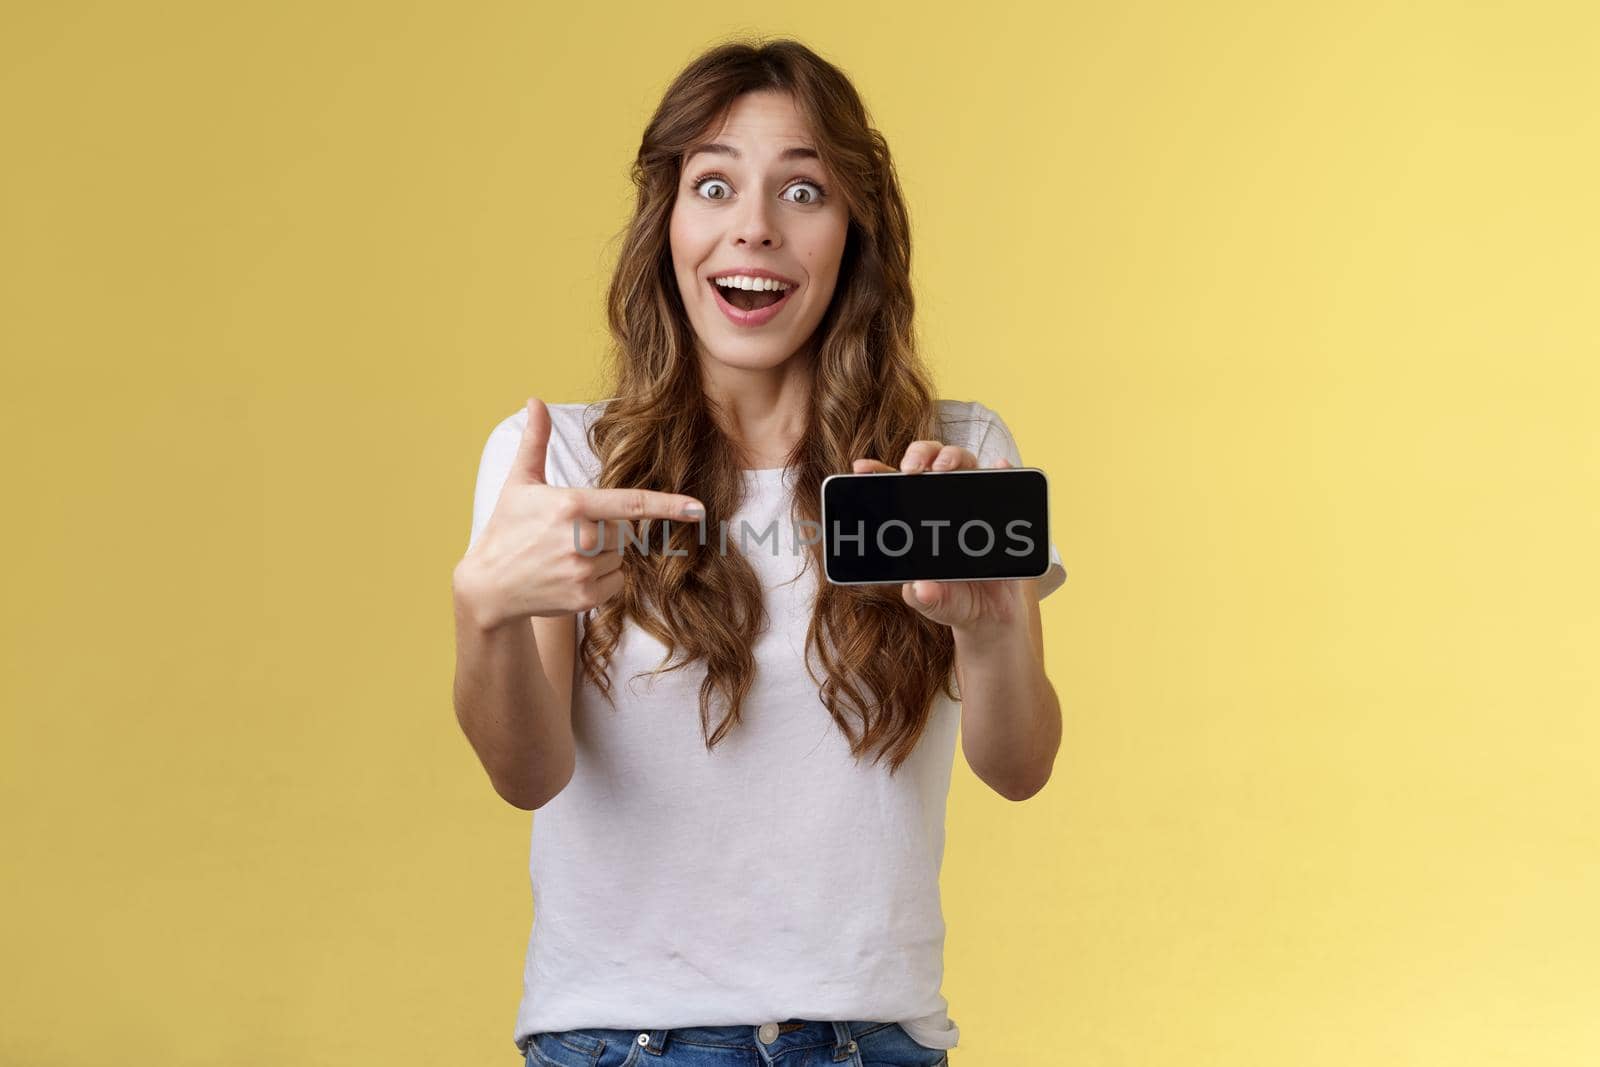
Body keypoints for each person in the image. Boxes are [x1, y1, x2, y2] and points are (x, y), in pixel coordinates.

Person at [451, 38, 1067, 1067]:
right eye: (714, 185)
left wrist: (994, 625)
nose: (754, 227)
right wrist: (484, 609)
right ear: (667, 224)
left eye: (803, 190)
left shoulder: (946, 463)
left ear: (853, 232)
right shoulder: (562, 460)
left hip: (874, 1038)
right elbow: (526, 771)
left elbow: (1020, 765)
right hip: (619, 1037)